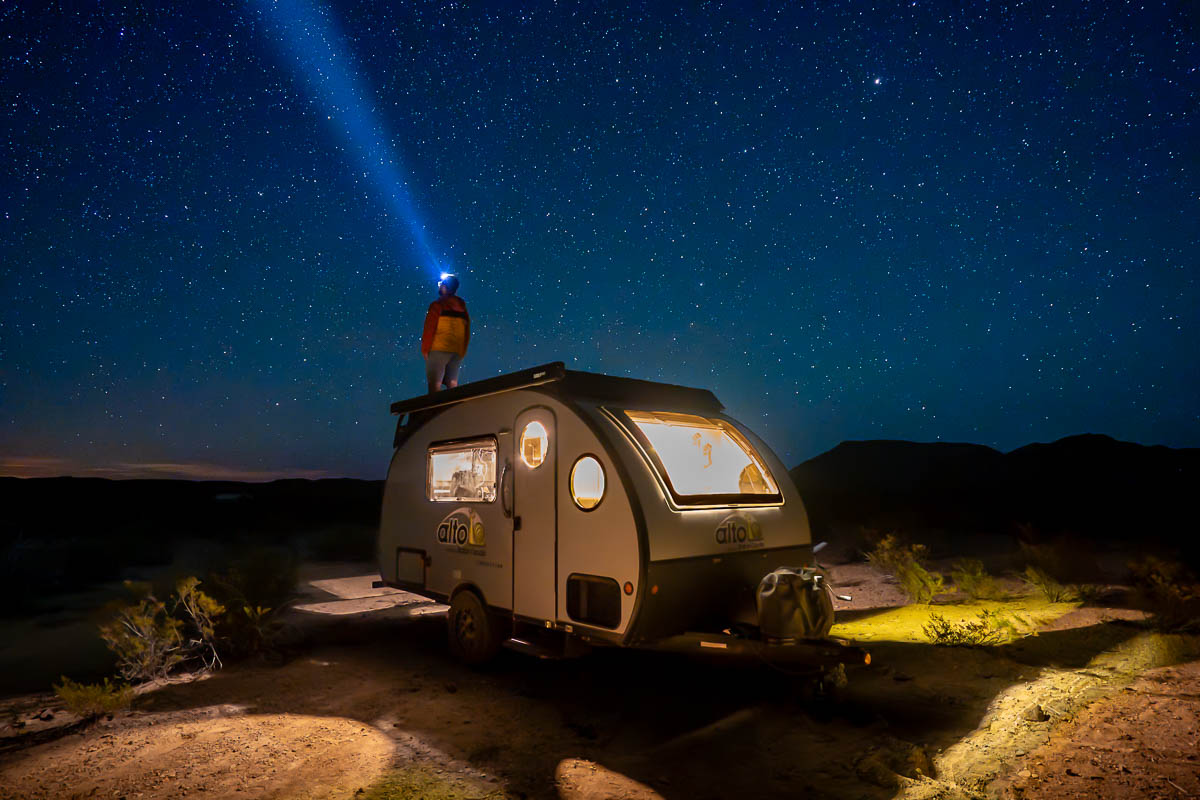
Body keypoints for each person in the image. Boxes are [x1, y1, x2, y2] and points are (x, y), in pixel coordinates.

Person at [422, 273, 470, 392]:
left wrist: (425, 349)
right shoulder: (463, 308)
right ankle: (454, 409)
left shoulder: (437, 306)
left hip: (439, 349)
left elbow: (430, 328)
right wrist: (462, 351)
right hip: (456, 351)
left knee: (434, 385)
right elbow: (466, 331)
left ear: (445, 287)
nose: (439, 286)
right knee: (452, 384)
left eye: (441, 284)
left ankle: (436, 410)